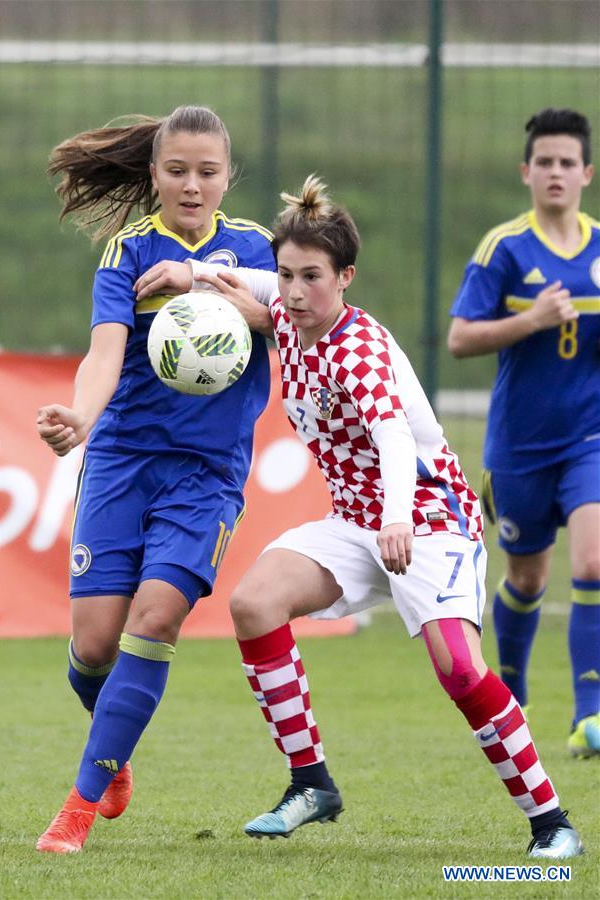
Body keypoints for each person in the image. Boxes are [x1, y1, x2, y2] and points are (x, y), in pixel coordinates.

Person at [171, 174, 583, 857]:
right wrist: (182, 270)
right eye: (286, 276)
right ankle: (311, 782)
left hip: (427, 516)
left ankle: (551, 821)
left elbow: (393, 435)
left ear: (346, 279)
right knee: (254, 603)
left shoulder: (357, 348)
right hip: (357, 522)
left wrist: (397, 520)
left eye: (311, 278)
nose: (294, 290)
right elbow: (247, 280)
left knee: (459, 670)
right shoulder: (292, 309)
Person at [35, 105, 276, 854]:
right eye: (177, 171)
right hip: (122, 461)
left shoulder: (257, 250)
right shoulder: (127, 253)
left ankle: (73, 812)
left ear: (228, 176)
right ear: (153, 174)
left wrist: (220, 286)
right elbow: (106, 351)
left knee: (157, 618)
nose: (193, 185)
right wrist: (79, 417)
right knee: (96, 647)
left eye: (208, 172)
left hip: (206, 474)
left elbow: (298, 308)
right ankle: (116, 747)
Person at [447, 108, 600, 758]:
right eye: (546, 162)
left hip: (588, 438)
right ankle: (509, 686)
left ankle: (590, 714)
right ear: (526, 172)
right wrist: (530, 319)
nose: (557, 173)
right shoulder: (504, 249)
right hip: (518, 447)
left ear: (586, 173)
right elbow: (459, 339)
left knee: (592, 562)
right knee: (529, 578)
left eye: (569, 162)